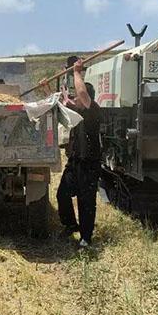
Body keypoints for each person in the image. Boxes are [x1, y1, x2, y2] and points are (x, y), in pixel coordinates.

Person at [57, 59, 102, 249]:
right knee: (62, 194)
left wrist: (77, 72)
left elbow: (81, 94)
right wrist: (47, 88)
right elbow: (62, 102)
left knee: (86, 201)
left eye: (78, 97)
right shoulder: (77, 112)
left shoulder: (93, 110)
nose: (75, 99)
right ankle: (70, 225)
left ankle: (86, 237)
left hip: (89, 163)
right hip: (75, 162)